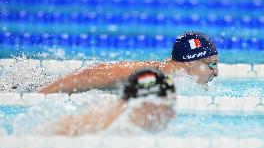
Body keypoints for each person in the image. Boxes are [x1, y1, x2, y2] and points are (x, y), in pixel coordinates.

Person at [39, 31, 218, 94]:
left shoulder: (175, 78)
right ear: (190, 63)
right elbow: (92, 75)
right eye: (211, 64)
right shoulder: (154, 73)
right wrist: (41, 95)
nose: (216, 72)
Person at [42, 68, 176, 136]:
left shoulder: (111, 120)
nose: (172, 114)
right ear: (147, 104)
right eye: (169, 105)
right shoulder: (100, 128)